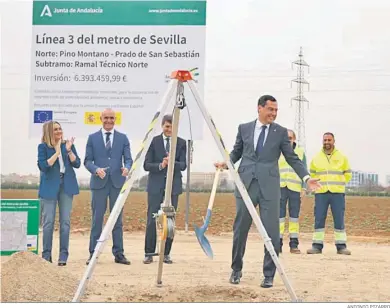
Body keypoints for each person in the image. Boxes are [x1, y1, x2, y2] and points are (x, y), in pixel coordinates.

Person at [214, 95, 321, 288]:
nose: (273, 113)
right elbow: (237, 152)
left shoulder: (280, 133)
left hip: (270, 187)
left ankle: (269, 274)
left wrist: (306, 177)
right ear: (259, 108)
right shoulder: (244, 128)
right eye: (270, 109)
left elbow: (292, 157)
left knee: (272, 231)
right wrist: (226, 162)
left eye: (276, 110)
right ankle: (236, 269)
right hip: (246, 184)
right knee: (240, 229)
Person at [84, 108, 133, 265]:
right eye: (106, 118)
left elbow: (129, 159)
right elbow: (87, 161)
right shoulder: (92, 138)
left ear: (115, 119)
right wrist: (96, 170)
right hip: (99, 184)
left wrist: (127, 167)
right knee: (97, 219)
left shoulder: (123, 138)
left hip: (117, 184)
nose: (109, 121)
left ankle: (119, 253)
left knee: (117, 220)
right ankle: (93, 253)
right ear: (101, 118)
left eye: (112, 118)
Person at [143, 114, 187, 264]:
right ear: (162, 126)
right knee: (152, 219)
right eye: (167, 126)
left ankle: (166, 253)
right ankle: (149, 252)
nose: (169, 130)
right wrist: (161, 165)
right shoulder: (153, 141)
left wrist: (172, 162)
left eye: (172, 127)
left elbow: (184, 165)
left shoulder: (181, 143)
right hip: (155, 186)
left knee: (170, 221)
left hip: (173, 186)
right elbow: (146, 165)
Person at [37, 120, 80, 265]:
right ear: (49, 131)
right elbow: (43, 166)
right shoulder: (43, 147)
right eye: (55, 129)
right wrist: (57, 152)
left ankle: (63, 255)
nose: (59, 131)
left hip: (66, 186)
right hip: (49, 187)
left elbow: (77, 163)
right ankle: (46, 255)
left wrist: (68, 150)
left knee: (65, 222)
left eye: (60, 129)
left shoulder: (67, 145)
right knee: (48, 222)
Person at [307, 132, 352, 255]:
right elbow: (312, 174)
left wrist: (340, 182)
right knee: (319, 219)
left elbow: (348, 173)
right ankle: (317, 245)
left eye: (329, 140)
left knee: (339, 219)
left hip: (337, 193)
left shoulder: (342, 157)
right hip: (321, 193)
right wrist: (316, 187)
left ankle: (341, 246)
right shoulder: (316, 158)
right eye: (325, 140)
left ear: (333, 141)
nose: (327, 142)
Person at [278, 129, 307, 254]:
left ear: (294, 139)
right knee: (279, 217)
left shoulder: (300, 152)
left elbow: (304, 169)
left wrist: (304, 187)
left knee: (294, 217)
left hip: (295, 189)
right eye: (286, 138)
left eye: (290, 138)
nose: (288, 140)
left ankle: (293, 244)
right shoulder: (277, 152)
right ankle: (277, 244)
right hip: (280, 188)